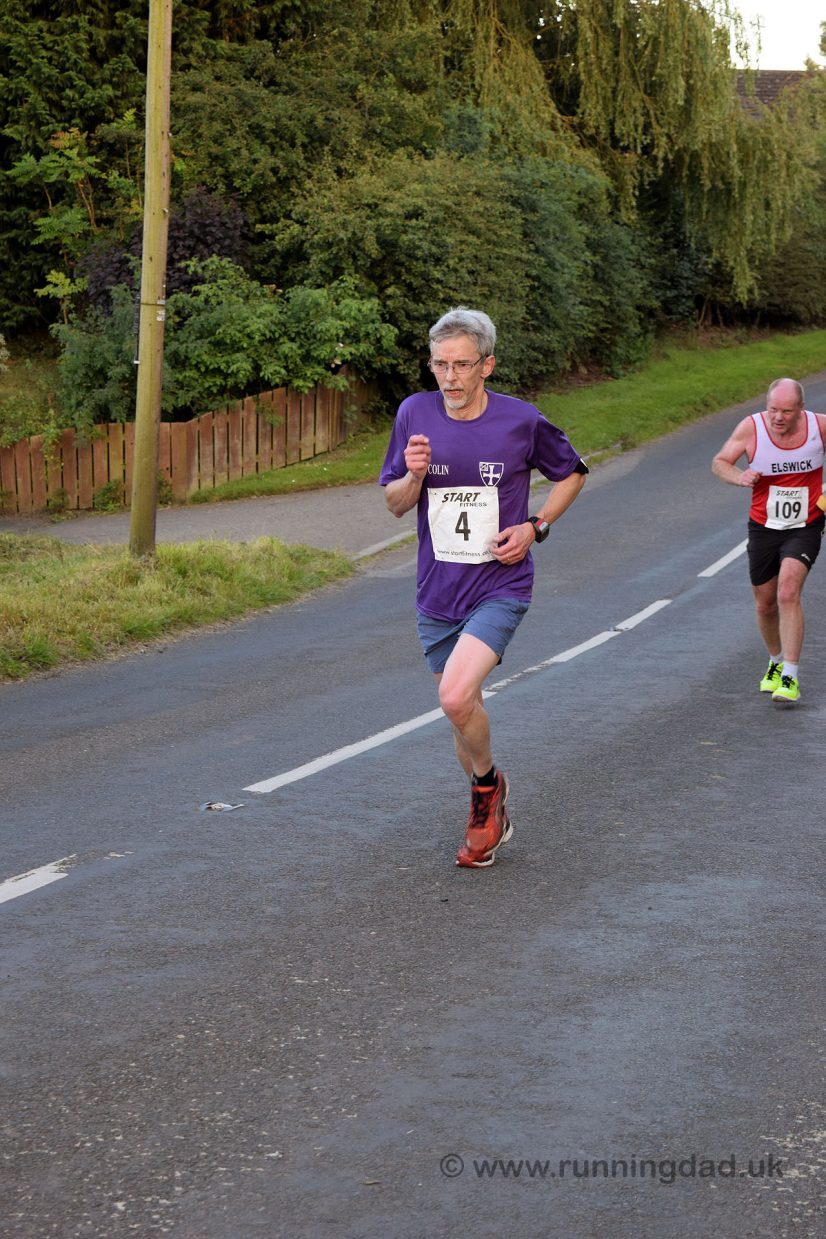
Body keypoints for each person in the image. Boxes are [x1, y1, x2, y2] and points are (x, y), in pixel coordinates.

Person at [379, 307, 588, 867]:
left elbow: (573, 472)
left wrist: (535, 526)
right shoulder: (413, 413)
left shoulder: (520, 421)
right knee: (460, 707)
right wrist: (415, 475)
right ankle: (487, 791)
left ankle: (484, 794)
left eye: (462, 365)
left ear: (487, 366)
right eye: (440, 365)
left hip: (501, 583)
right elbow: (395, 504)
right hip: (436, 591)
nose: (449, 378)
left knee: (453, 695)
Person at [711, 377, 826, 704]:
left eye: (786, 411)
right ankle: (775, 661)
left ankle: (790, 676)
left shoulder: (819, 427)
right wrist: (740, 476)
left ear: (801, 409)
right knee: (765, 601)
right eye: (773, 409)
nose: (778, 417)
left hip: (806, 523)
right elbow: (720, 462)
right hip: (764, 525)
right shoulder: (751, 428)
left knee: (788, 591)